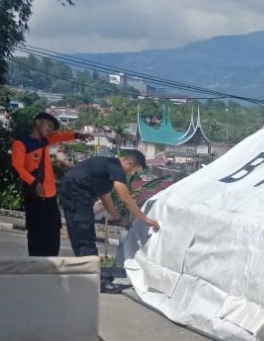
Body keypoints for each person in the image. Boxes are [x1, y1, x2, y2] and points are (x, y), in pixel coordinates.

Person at [58, 150, 159, 290]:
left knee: (83, 236)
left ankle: (89, 276)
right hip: (76, 198)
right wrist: (146, 219)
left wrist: (119, 219)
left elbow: (106, 198)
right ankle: (94, 282)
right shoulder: (116, 168)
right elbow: (125, 198)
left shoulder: (106, 168)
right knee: (84, 240)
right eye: (133, 171)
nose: (130, 174)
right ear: (129, 163)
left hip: (74, 197)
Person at [11, 112, 86, 256]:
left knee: (53, 231)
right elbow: (17, 166)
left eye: (52, 127)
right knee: (36, 232)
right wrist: (34, 183)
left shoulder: (46, 140)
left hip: (50, 195)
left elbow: (61, 136)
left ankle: (51, 263)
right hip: (34, 196)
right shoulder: (21, 143)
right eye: (48, 125)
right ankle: (37, 264)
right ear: (38, 122)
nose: (50, 130)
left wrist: (78, 135)